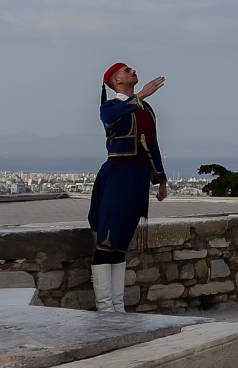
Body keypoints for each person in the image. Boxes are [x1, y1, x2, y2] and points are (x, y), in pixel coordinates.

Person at [89, 62, 167, 313]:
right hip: (117, 176)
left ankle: (117, 305)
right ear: (115, 81)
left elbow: (152, 146)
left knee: (121, 240)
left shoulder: (146, 109)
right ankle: (105, 307)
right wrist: (140, 95)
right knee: (106, 240)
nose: (133, 71)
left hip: (137, 179)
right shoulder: (111, 106)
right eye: (126, 71)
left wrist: (161, 180)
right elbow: (111, 117)